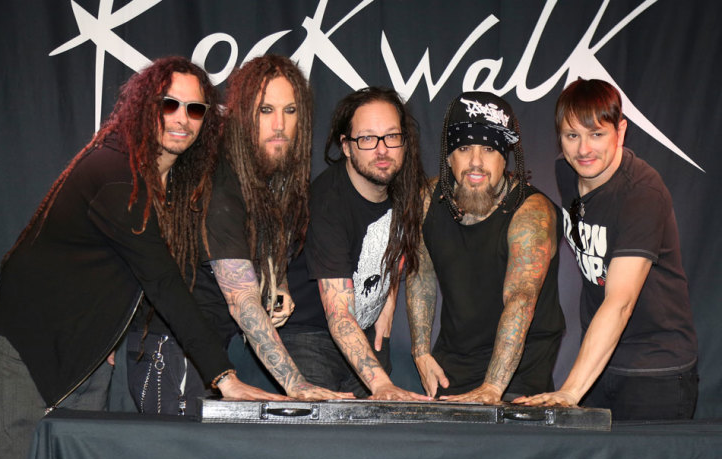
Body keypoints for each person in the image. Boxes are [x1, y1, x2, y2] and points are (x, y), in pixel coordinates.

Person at [0, 57, 276, 459]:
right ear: (143, 106)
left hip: (86, 356)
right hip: (29, 355)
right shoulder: (118, 175)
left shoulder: (161, 177)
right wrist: (224, 377)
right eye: (168, 104)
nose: (182, 119)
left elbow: (119, 271)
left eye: (195, 109)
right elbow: (162, 281)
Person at [514, 79, 698, 420]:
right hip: (601, 367)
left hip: (655, 371)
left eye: (596, 134)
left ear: (621, 131)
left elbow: (620, 301)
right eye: (572, 136)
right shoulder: (567, 173)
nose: (584, 149)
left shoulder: (642, 194)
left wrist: (570, 391)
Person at [192, 55, 353, 400]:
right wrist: (298, 384)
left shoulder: (270, 174)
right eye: (266, 110)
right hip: (173, 350)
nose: (279, 124)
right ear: (242, 114)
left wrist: (278, 282)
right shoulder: (221, 178)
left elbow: (264, 243)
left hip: (208, 350)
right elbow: (242, 301)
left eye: (290, 111)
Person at [406, 91, 565, 403]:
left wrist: (493, 387)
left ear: (504, 157)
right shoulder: (428, 199)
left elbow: (520, 300)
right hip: (455, 363)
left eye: (489, 149)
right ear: (449, 156)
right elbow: (420, 274)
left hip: (519, 369)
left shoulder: (532, 213)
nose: (475, 163)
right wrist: (421, 351)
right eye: (464, 148)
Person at [279, 87, 431, 400]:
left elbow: (394, 246)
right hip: (311, 333)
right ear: (346, 147)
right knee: (325, 437)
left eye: (391, 136)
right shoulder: (327, 203)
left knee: (374, 441)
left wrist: (387, 307)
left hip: (365, 330)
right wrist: (382, 384)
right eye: (367, 139)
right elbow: (338, 314)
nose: (382, 150)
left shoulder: (404, 184)